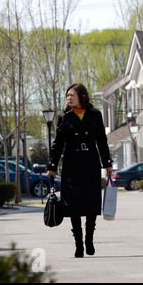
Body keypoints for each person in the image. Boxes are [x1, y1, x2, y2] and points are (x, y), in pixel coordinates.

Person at [47, 83, 113, 258]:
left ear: (82, 96)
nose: (69, 98)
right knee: (73, 206)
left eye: (72, 95)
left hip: (90, 163)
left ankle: (89, 239)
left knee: (92, 203)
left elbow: (101, 141)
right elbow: (58, 143)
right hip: (72, 165)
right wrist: (52, 166)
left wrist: (107, 163)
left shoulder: (94, 115)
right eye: (67, 95)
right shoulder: (65, 117)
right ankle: (78, 245)